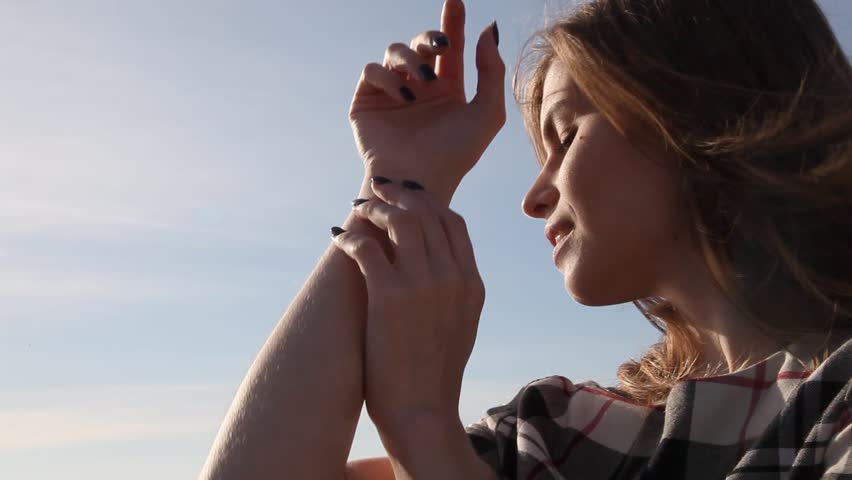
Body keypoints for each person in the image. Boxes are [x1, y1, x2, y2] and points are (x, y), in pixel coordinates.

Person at [199, 0, 852, 478]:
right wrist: (399, 180)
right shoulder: (560, 433)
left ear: (705, 108)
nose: (534, 196)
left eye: (565, 136)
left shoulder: (833, 408)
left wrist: (425, 429)